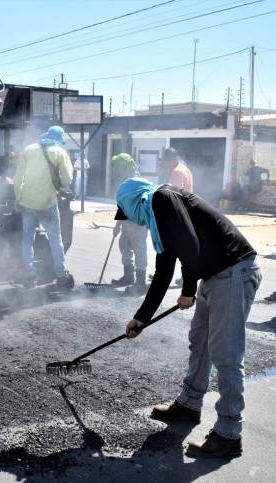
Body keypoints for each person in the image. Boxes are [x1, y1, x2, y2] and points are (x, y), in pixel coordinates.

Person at [118, 178, 260, 458]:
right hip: (215, 275)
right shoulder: (159, 217)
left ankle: (229, 434)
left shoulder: (163, 198)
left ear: (133, 201)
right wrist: (142, 318)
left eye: (127, 211)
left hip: (234, 272)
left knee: (226, 355)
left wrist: (187, 290)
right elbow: (164, 270)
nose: (132, 219)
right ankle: (189, 405)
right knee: (200, 343)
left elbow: (189, 242)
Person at [13, 126, 74, 288]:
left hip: (27, 203)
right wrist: (61, 188)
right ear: (59, 139)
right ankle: (61, 275)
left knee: (27, 240)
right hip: (47, 204)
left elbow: (18, 178)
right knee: (55, 239)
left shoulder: (28, 150)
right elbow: (67, 179)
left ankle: (30, 275)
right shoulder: (59, 153)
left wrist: (19, 198)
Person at [109, 153, 148, 292]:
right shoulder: (124, 181)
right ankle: (128, 276)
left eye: (116, 166)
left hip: (138, 220)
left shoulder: (136, 182)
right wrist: (118, 225)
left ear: (123, 167)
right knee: (124, 244)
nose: (114, 170)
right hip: (127, 219)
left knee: (139, 248)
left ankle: (141, 283)